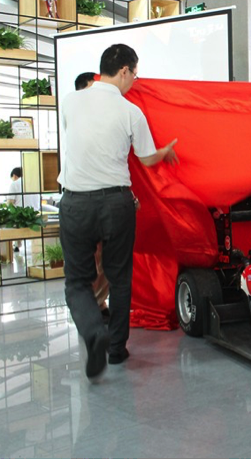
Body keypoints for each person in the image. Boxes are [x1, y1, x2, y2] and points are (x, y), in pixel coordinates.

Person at [59, 44, 178, 380]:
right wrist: (165, 152)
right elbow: (146, 158)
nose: (134, 82)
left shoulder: (70, 101)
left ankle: (93, 333)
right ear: (124, 70)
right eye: (135, 75)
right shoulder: (131, 111)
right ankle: (115, 349)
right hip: (116, 204)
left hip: (76, 203)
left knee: (77, 281)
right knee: (120, 277)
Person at [74, 72, 110, 323]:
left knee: (105, 258)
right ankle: (92, 308)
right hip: (83, 202)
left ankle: (99, 303)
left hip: (105, 201)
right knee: (92, 260)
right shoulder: (78, 121)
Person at [7, 167, 41, 252]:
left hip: (21, 218)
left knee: (10, 219)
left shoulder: (14, 184)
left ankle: (16, 246)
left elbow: (10, 203)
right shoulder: (34, 182)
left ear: (14, 176)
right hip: (35, 216)